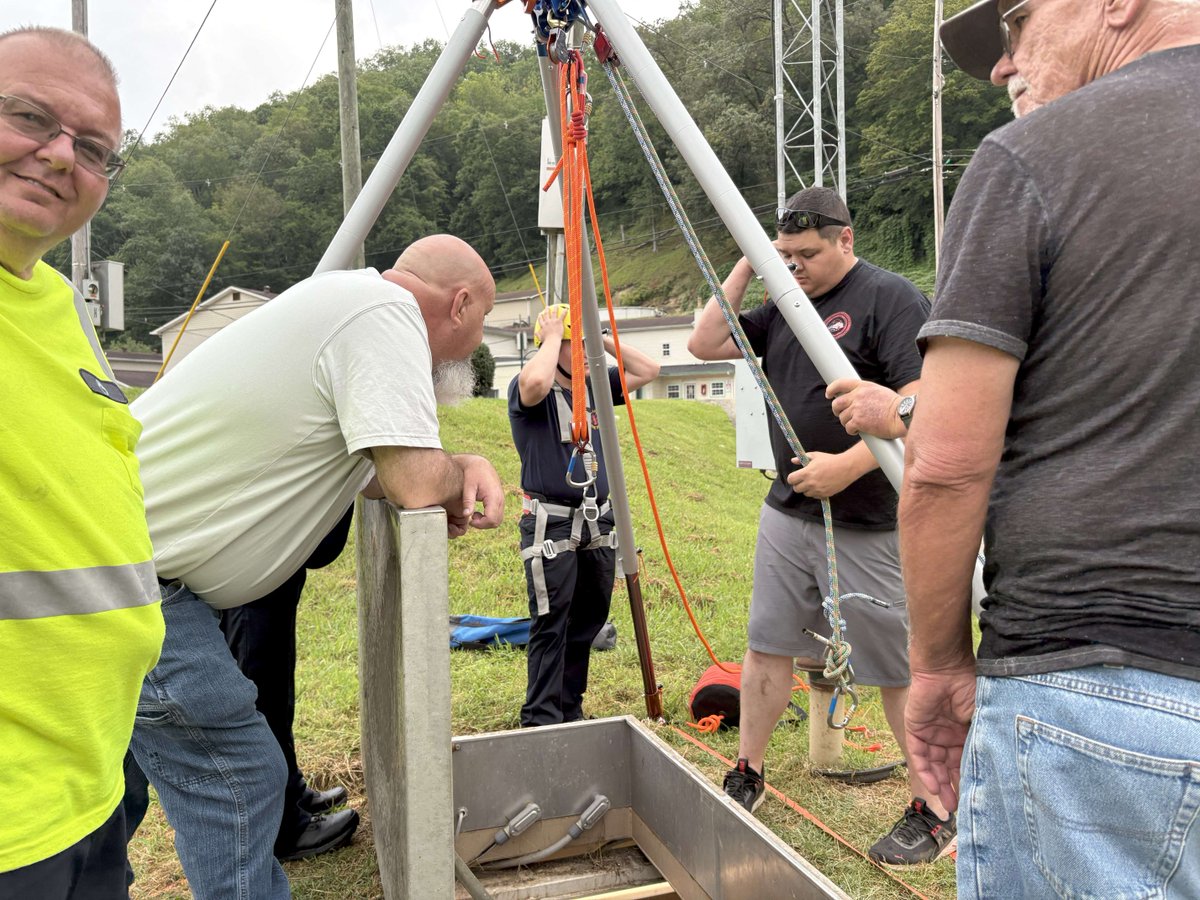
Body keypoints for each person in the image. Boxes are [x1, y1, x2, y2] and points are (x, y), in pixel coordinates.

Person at [901, 0, 1200, 895]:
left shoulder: (1035, 158)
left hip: (1101, 693)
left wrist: (939, 663)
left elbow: (948, 465)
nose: (1002, 65)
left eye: (1016, 23)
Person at [125, 234, 505, 898]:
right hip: (139, 582)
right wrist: (462, 469)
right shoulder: (383, 314)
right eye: (482, 325)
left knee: (102, 796)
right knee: (240, 778)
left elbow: (378, 475)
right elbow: (416, 480)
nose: (475, 346)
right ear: (463, 302)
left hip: (113, 561)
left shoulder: (345, 301)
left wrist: (454, 466)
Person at [689, 187, 948, 865]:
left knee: (895, 669)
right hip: (789, 510)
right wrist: (752, 264)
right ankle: (748, 770)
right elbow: (705, 338)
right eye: (786, 255)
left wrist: (849, 467)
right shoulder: (783, 303)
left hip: (870, 523)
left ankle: (935, 807)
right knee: (767, 646)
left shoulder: (890, 300)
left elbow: (926, 406)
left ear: (847, 240)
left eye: (808, 254)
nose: (796, 266)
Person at [0, 27, 165, 898]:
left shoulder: (61, 302)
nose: (60, 155)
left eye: (94, 148)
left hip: (94, 770)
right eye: (28, 116)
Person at [510, 304, 659, 726]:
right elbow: (537, 379)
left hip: (597, 519)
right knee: (551, 620)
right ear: (553, 345)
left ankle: (569, 708)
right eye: (574, 347)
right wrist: (554, 335)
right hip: (551, 521)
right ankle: (540, 717)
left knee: (589, 619)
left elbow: (648, 369)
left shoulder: (595, 385)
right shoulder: (530, 392)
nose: (581, 355)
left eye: (583, 347)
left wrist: (600, 338)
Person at [218, 504, 356, 861]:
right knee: (260, 684)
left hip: (271, 547)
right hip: (252, 551)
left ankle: (288, 789)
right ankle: (280, 827)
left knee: (276, 677)